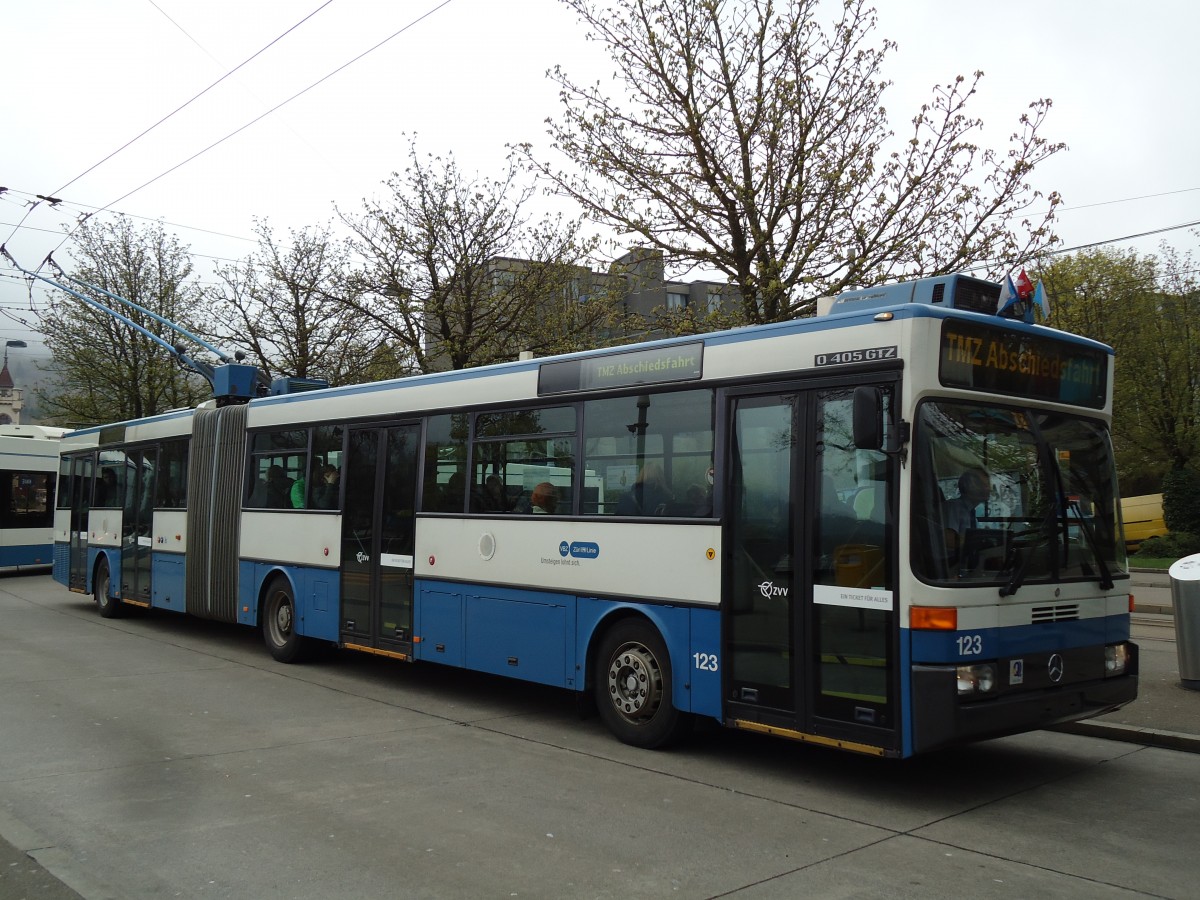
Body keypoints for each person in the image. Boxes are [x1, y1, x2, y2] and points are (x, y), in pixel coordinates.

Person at [943, 467, 990, 564]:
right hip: (949, 564)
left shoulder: (971, 512)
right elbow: (949, 541)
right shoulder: (954, 507)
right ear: (970, 486)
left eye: (988, 485)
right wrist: (978, 541)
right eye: (984, 485)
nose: (989, 489)